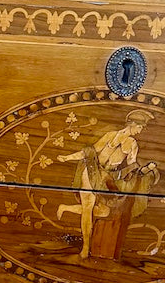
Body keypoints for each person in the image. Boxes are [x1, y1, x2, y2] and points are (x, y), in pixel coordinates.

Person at [56, 109, 159, 259]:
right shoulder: (110, 135)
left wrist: (146, 169)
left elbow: (133, 168)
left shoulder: (133, 145)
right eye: (140, 127)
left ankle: (65, 207)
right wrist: (68, 157)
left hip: (107, 178)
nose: (140, 131)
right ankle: (86, 247)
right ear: (132, 124)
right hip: (92, 171)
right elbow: (89, 153)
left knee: (104, 211)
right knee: (88, 207)